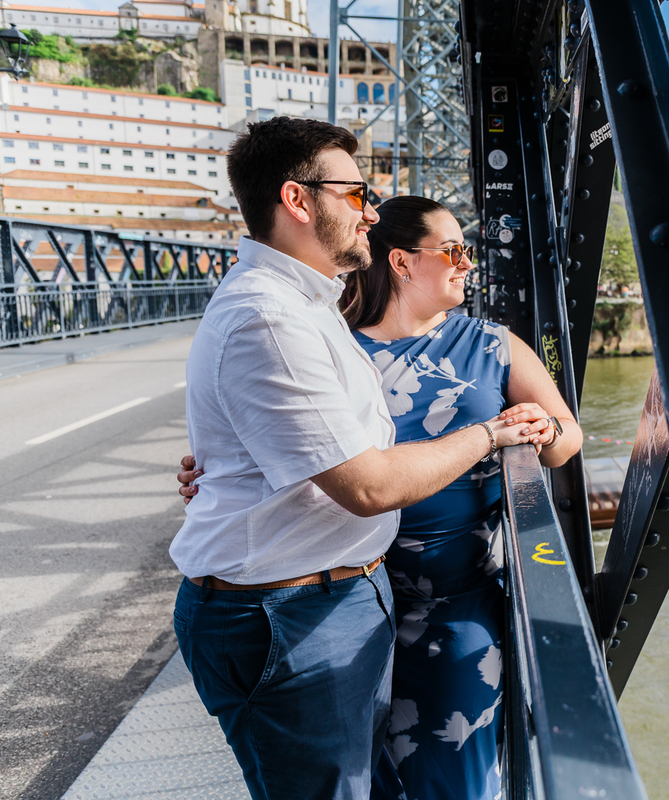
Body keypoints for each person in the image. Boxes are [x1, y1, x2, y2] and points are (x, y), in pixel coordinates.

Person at [170, 117, 533, 800]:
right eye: (357, 193)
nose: (372, 211)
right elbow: (366, 486)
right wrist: (490, 436)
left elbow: (305, 436)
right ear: (298, 200)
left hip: (324, 601)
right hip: (289, 614)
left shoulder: (307, 307)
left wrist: (223, 465)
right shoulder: (270, 318)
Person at [344, 196, 582, 800]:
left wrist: (542, 428)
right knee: (366, 776)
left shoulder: (493, 345)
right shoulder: (337, 354)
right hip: (351, 603)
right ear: (400, 261)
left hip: (459, 607)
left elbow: (566, 439)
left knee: (459, 777)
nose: (468, 264)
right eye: (454, 250)